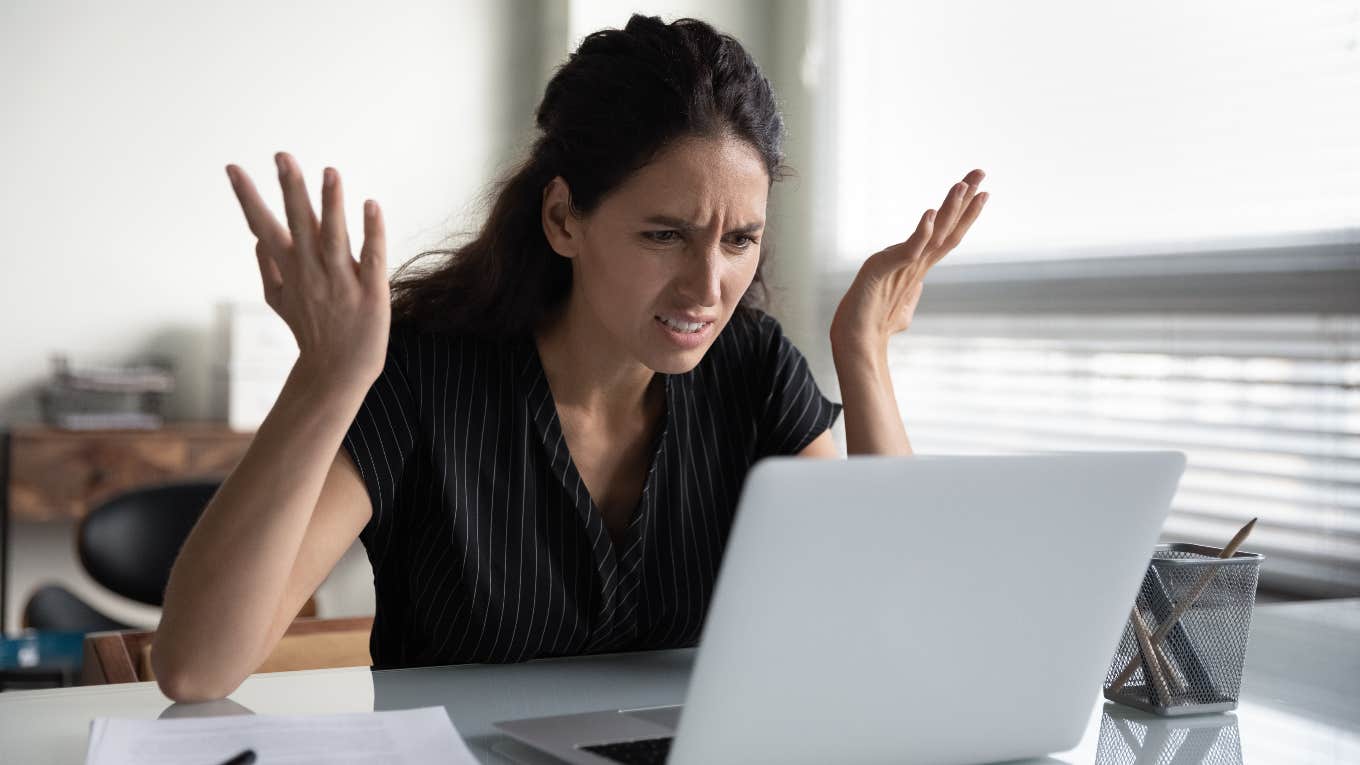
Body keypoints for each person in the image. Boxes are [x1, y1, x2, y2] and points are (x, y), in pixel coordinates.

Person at [151, 14, 987, 702]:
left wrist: (863, 352)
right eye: (665, 235)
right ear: (563, 220)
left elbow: (896, 628)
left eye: (740, 240)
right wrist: (329, 377)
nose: (708, 285)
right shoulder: (424, 373)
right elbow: (196, 668)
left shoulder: (753, 367)